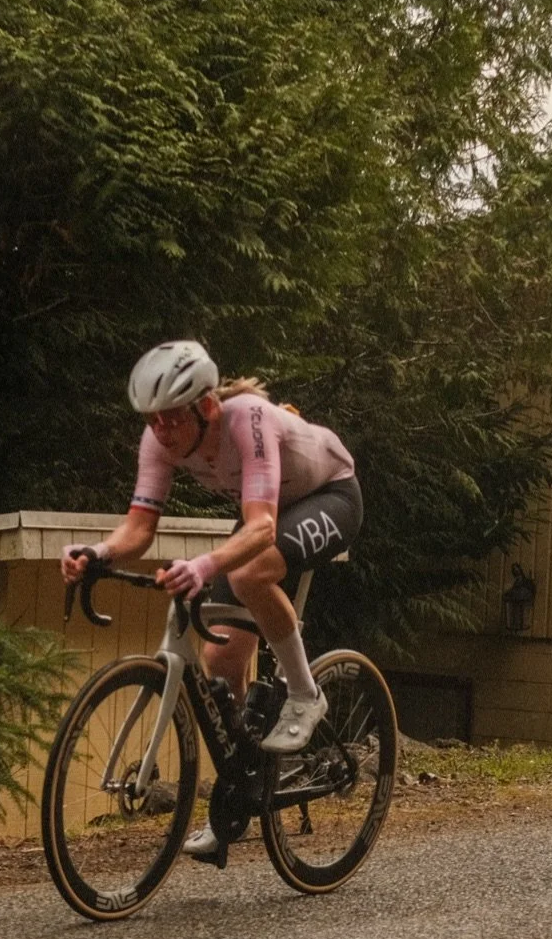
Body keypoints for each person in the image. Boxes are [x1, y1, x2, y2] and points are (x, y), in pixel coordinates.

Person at [61, 340, 361, 861]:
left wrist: (203, 566)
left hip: (330, 495)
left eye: (172, 418)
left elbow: (261, 527)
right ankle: (240, 792)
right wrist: (98, 553)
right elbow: (139, 528)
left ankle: (305, 693)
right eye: (152, 420)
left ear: (206, 407)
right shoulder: (158, 440)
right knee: (220, 659)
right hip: (271, 511)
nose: (162, 431)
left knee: (247, 574)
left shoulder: (247, 419)